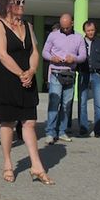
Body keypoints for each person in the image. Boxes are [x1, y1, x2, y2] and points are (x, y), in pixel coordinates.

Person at [0, 0, 54, 185]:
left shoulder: (28, 26)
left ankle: (37, 166)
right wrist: (20, 73)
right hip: (7, 79)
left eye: (23, 1)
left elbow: (34, 51)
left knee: (29, 122)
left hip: (27, 79)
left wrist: (32, 71)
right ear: (8, 5)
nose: (22, 5)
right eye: (18, 2)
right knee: (8, 122)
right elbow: (2, 54)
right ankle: (8, 164)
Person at [41, 13, 85, 144]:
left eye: (67, 27)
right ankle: (50, 132)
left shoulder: (79, 37)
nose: (64, 29)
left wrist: (75, 58)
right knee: (54, 103)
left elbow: (83, 56)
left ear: (72, 23)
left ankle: (62, 131)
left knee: (67, 104)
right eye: (62, 27)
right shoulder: (53, 35)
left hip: (70, 73)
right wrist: (52, 58)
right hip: (55, 72)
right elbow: (44, 52)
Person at [77, 20, 100, 137]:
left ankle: (99, 130)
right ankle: (83, 128)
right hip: (83, 74)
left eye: (92, 30)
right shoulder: (79, 42)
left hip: (96, 75)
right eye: (88, 30)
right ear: (84, 31)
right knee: (82, 102)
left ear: (95, 30)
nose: (90, 32)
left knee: (99, 103)